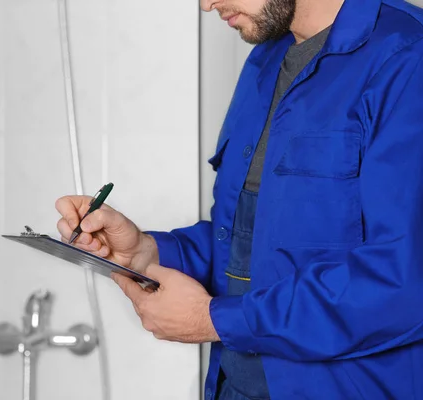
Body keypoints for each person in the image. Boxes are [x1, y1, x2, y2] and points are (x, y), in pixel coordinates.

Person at [56, 0, 423, 398]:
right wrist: (148, 252)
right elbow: (252, 241)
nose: (205, 3)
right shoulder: (265, 61)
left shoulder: (407, 59)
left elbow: (404, 281)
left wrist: (214, 321)